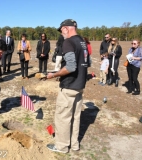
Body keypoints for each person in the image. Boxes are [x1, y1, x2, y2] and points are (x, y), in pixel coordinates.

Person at [46, 19, 89, 153]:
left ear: (66, 28)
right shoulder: (82, 42)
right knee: (75, 118)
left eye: (61, 31)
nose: (61, 34)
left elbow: (70, 67)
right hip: (80, 86)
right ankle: (74, 145)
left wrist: (54, 75)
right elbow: (88, 62)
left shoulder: (68, 42)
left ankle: (62, 146)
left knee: (63, 118)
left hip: (69, 87)